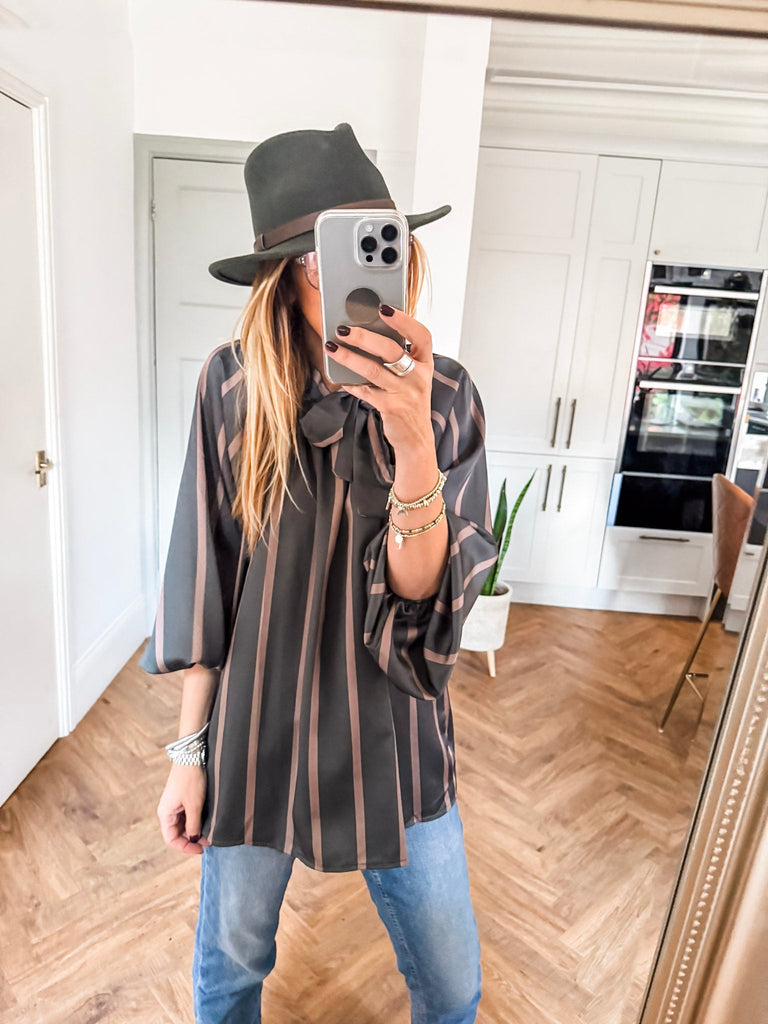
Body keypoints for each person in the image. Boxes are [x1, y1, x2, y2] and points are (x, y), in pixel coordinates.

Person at [139, 122, 498, 1024]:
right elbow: (207, 578)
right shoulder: (232, 387)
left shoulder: (446, 397)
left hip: (397, 739)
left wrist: (413, 443)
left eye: (368, 245)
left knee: (453, 987)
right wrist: (188, 757)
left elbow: (423, 599)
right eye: (312, 256)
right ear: (280, 275)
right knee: (228, 974)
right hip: (257, 733)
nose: (335, 278)